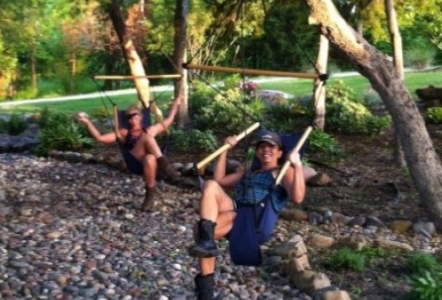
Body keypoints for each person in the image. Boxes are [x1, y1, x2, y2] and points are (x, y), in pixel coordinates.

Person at [188, 130, 305, 299]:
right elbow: (220, 181)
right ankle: (205, 293)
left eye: (271, 147)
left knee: (204, 231)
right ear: (257, 151)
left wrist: (297, 166)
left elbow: (298, 197)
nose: (266, 150)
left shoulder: (283, 172)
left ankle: (205, 288)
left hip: (255, 221)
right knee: (210, 188)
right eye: (262, 146)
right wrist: (225, 150)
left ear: (280, 152)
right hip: (237, 213)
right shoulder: (249, 173)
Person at [75, 97, 182, 212]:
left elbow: (169, 119)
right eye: (128, 117)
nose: (131, 119)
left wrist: (176, 104)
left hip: (148, 160)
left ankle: (149, 197)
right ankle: (165, 165)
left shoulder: (150, 129)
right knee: (147, 136)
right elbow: (100, 138)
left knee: (150, 157)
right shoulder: (124, 132)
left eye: (134, 115)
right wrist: (88, 122)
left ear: (141, 117)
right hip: (134, 159)